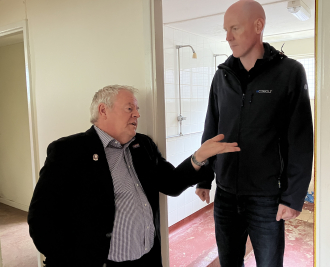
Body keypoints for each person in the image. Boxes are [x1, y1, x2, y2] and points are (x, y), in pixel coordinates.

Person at [28, 85, 240, 267]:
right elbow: (41, 219)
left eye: (137, 109)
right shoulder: (69, 151)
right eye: (130, 108)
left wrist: (199, 156)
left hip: (146, 259)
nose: (137, 114)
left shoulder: (143, 145)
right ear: (103, 110)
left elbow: (171, 183)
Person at [195, 0, 313, 267]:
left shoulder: (289, 72)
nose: (227, 37)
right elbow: (211, 129)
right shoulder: (222, 76)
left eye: (234, 28)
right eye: (226, 30)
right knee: (229, 262)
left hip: (266, 198)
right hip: (225, 195)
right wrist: (204, 177)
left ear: (258, 25)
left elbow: (301, 140)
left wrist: (293, 196)